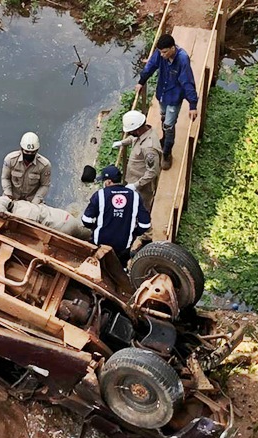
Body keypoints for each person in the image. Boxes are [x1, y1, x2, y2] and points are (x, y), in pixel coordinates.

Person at [135, 33, 198, 164]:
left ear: (172, 48)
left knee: (169, 125)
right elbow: (151, 66)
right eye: (160, 52)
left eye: (164, 52)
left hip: (174, 97)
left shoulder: (182, 59)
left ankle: (167, 154)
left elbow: (187, 81)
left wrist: (193, 104)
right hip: (162, 94)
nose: (162, 55)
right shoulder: (160, 54)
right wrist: (141, 81)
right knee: (163, 118)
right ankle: (164, 139)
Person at [81, 165, 151, 266]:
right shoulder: (135, 196)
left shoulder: (100, 195)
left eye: (104, 181)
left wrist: (95, 227)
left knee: (97, 265)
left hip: (100, 243)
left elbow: (86, 220)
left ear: (108, 181)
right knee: (119, 266)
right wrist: (133, 233)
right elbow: (145, 224)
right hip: (123, 245)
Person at [112, 110, 161, 213]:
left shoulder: (149, 148)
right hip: (133, 176)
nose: (130, 134)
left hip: (143, 184)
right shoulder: (144, 132)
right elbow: (133, 138)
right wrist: (122, 142)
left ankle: (144, 223)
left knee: (142, 204)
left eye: (131, 131)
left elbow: (152, 171)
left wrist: (136, 185)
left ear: (137, 130)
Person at [0, 132, 52, 205]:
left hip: (33, 201)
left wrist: (36, 201)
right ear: (21, 149)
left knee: (40, 214)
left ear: (37, 150)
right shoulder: (10, 159)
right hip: (12, 197)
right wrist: (8, 193)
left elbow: (45, 185)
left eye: (32, 152)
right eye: (27, 151)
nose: (29, 154)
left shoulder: (44, 165)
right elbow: (5, 177)